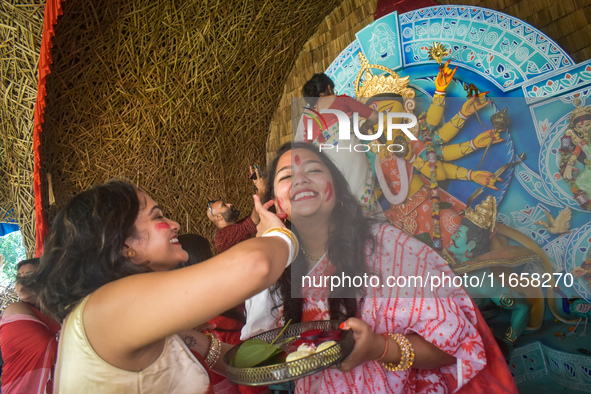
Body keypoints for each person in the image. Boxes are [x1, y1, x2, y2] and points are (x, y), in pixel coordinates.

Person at [261, 142, 517, 393]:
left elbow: (456, 348)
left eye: (313, 169)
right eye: (286, 176)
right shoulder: (277, 268)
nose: (301, 179)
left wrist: (379, 348)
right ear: (275, 205)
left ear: (337, 189)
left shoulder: (387, 247)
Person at [21, 180, 296, 393]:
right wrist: (279, 234)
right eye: (158, 217)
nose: (175, 225)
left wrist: (303, 359)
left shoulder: (128, 315)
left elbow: (225, 358)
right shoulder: (108, 308)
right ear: (123, 244)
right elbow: (257, 264)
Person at [296, 73, 381, 215]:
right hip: (351, 155)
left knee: (342, 204)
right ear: (329, 87)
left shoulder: (307, 116)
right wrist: (364, 129)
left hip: (328, 165)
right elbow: (375, 116)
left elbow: (307, 150)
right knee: (363, 198)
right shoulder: (343, 100)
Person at [0, 258, 61, 393]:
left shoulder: (60, 315)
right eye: (18, 277)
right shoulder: (15, 310)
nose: (21, 282)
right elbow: (46, 346)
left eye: (29, 276)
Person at [208, 166, 268, 253]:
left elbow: (255, 215)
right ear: (218, 217)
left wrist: (258, 188)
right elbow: (254, 220)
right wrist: (261, 191)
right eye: (224, 205)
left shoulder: (236, 226)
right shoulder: (221, 237)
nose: (230, 204)